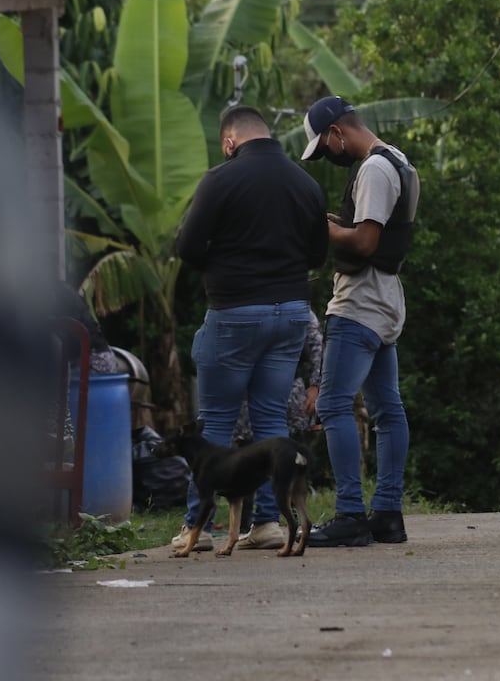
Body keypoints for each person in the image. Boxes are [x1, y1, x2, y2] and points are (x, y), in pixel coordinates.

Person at [172, 105, 328, 553]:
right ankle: (265, 525)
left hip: (235, 312)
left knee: (217, 420)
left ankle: (194, 530)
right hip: (291, 314)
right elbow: (317, 257)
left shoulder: (220, 180)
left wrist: (222, 266)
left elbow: (187, 246)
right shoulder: (306, 183)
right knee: (270, 418)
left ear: (229, 142)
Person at [298, 96, 420, 547]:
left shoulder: (372, 168)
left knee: (332, 406)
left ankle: (350, 514)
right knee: (388, 410)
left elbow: (366, 241)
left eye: (327, 147)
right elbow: (375, 230)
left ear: (337, 133)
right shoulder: (398, 160)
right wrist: (338, 222)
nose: (330, 156)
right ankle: (387, 514)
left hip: (361, 301)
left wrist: (319, 226)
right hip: (386, 298)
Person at [231, 310, 324, 541]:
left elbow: (317, 346)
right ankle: (255, 524)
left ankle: (273, 522)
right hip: (259, 393)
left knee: (280, 461)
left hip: (280, 392)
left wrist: (315, 385)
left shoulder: (297, 310)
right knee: (256, 463)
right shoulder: (294, 309)